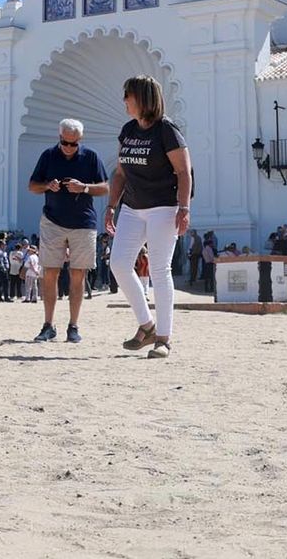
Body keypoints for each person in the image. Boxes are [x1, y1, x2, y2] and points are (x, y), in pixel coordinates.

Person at [107, 75, 191, 360]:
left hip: (163, 207)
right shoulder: (128, 130)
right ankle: (147, 325)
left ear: (142, 98)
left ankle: (164, 339)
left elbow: (183, 172)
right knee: (118, 264)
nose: (124, 101)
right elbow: (120, 173)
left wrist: (184, 208)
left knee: (159, 270)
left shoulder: (166, 130)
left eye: (128, 95)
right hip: (132, 207)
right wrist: (111, 206)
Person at [27, 117, 109, 343]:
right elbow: (32, 186)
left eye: (74, 144)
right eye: (65, 142)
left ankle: (73, 326)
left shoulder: (91, 157)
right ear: (59, 137)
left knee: (78, 274)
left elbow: (105, 187)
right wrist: (48, 185)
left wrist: (84, 188)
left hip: (83, 223)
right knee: (50, 273)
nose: (69, 147)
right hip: (52, 221)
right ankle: (48, 325)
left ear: (80, 140)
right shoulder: (48, 155)